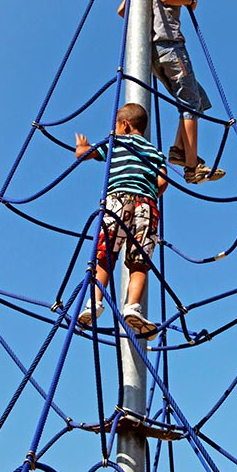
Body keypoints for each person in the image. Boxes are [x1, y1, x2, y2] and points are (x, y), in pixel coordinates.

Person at [118, 0, 225, 185]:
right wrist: (190, 0)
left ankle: (179, 150)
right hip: (170, 46)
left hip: (153, 55)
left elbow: (123, 10)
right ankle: (191, 166)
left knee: (197, 99)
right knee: (189, 102)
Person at [74, 102, 166, 340]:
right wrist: (147, 192)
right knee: (139, 263)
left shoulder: (115, 142)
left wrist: (82, 147)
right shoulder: (155, 152)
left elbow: (84, 155)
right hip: (145, 204)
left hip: (116, 202)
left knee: (105, 256)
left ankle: (94, 303)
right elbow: (163, 182)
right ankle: (132, 307)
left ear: (124, 125)